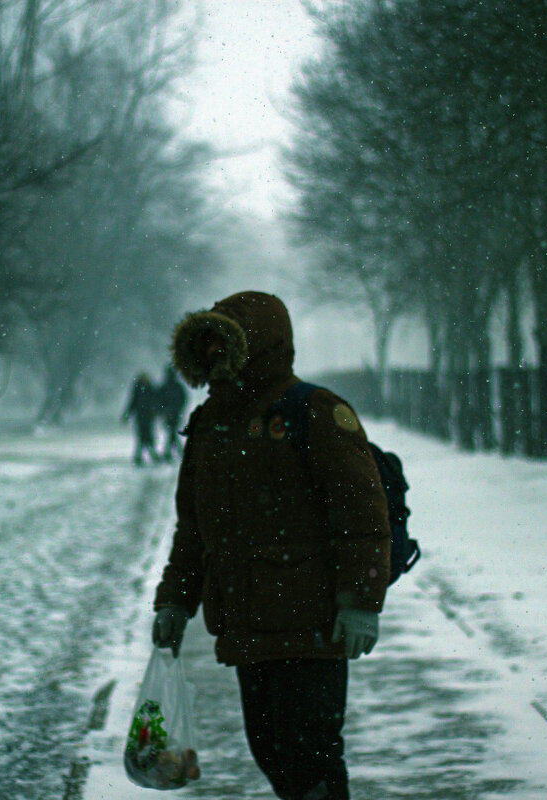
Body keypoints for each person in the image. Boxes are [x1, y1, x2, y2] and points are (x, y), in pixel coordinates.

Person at [151, 291, 390, 800]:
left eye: (227, 344)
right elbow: (193, 530)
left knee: (312, 760)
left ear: (259, 345)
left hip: (311, 625)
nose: (216, 357)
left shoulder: (315, 411)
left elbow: (362, 517)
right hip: (244, 626)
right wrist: (174, 599)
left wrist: (361, 603)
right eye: (208, 346)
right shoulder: (210, 424)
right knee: (271, 753)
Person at [121, 372, 159, 466]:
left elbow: (155, 402)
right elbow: (133, 403)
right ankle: (149, 456)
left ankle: (141, 457)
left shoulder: (149, 389)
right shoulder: (142, 390)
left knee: (145, 437)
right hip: (142, 417)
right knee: (144, 437)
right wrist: (127, 415)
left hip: (147, 417)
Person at [155, 364, 188, 462]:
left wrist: (163, 410)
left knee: (171, 431)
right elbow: (183, 399)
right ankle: (176, 451)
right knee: (172, 431)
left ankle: (170, 452)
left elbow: (159, 400)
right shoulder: (177, 386)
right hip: (174, 413)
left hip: (170, 413)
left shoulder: (165, 386)